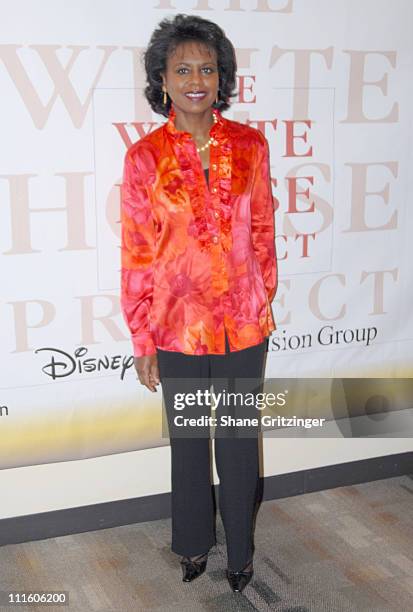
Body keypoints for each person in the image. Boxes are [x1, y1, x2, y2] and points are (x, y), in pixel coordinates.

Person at [120, 13, 277, 594]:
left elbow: (262, 233)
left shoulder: (251, 145)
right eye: (182, 68)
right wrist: (143, 341)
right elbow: (137, 255)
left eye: (207, 69)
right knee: (189, 442)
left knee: (237, 443)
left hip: (243, 327)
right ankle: (191, 546)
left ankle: (241, 553)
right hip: (177, 329)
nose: (196, 79)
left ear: (221, 78)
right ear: (162, 78)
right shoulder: (144, 159)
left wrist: (258, 301)